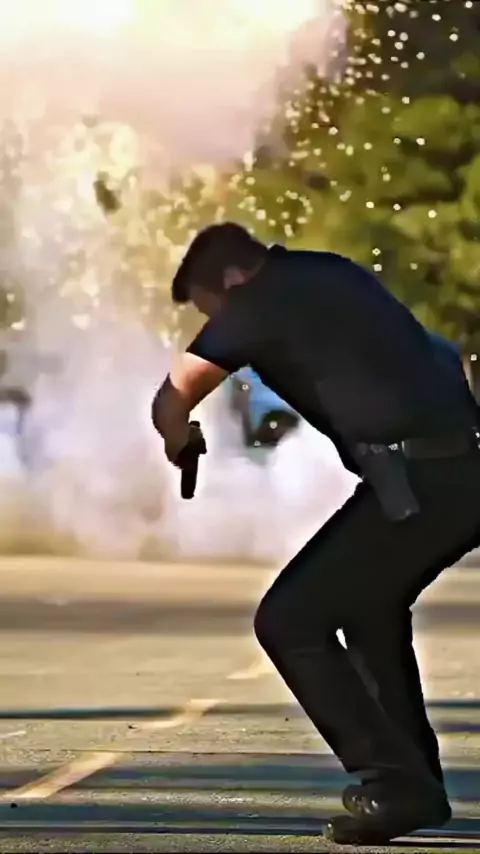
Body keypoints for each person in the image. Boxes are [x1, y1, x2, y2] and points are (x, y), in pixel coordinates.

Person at [151, 222, 480, 845]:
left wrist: (180, 439)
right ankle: (413, 784)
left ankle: (395, 782)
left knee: (288, 621)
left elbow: (174, 394)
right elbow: (439, 351)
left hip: (419, 482)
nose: (215, 325)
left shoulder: (257, 300)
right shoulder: (332, 269)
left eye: (209, 310)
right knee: (370, 610)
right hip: (458, 470)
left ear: (231, 280)